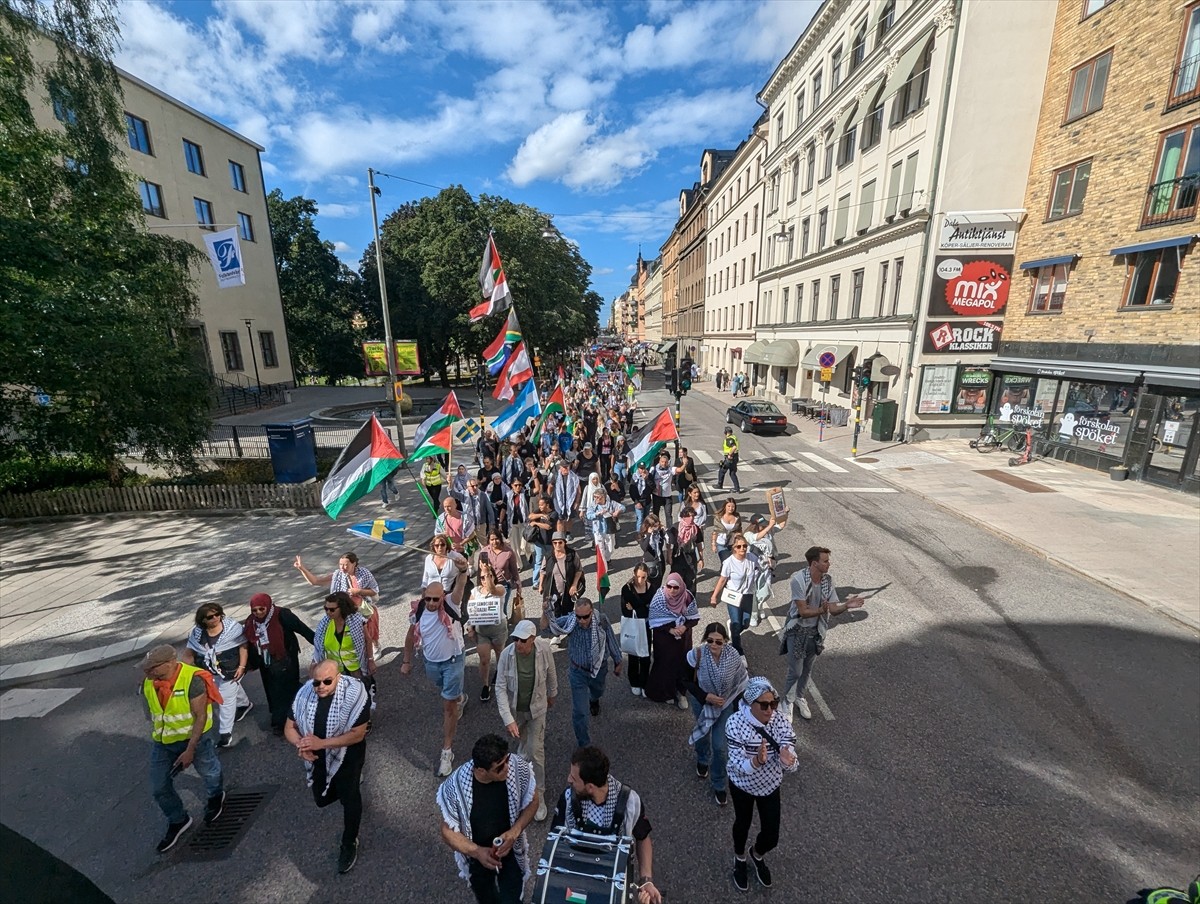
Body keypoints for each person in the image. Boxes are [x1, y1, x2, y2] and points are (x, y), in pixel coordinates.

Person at [284, 659, 371, 875]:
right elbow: (289, 726)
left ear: (338, 677)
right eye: (316, 682)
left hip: (347, 754)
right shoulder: (305, 693)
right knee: (321, 799)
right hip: (318, 755)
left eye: (327, 681)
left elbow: (358, 734)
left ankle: (349, 843)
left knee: (350, 797)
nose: (321, 686)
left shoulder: (355, 693)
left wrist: (320, 743)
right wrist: (301, 744)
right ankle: (345, 792)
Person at [551, 746, 662, 904]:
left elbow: (643, 837)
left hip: (612, 885)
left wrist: (646, 880)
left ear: (590, 787)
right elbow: (555, 840)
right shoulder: (568, 799)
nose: (569, 779)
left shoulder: (630, 802)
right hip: (576, 881)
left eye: (574, 778)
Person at [141, 644, 224, 853]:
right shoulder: (149, 684)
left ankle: (216, 796)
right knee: (158, 787)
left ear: (170, 664)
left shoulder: (193, 680)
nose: (147, 672)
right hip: (164, 742)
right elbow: (152, 715)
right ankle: (178, 820)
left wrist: (190, 750)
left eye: (152, 668)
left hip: (195, 739)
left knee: (209, 772)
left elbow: (201, 716)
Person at [437, 733, 538, 904]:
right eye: (499, 768)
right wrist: (477, 852)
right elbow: (447, 832)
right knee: (486, 898)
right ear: (481, 771)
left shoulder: (516, 766)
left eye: (506, 760)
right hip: (477, 855)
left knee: (513, 898)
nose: (507, 768)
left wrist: (515, 831)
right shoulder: (455, 788)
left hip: (510, 848)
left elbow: (534, 800)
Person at [724, 678, 798, 892]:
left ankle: (756, 854)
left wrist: (789, 760)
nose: (770, 710)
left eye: (773, 703)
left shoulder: (780, 721)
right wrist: (756, 761)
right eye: (764, 705)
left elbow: (791, 753)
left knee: (772, 836)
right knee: (742, 824)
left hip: (770, 785)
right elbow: (736, 763)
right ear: (749, 704)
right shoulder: (735, 723)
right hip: (742, 785)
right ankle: (739, 858)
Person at [782, 546, 866, 721]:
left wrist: (846, 606)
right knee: (795, 670)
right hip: (797, 631)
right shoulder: (798, 580)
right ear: (814, 563)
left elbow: (833, 609)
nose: (829, 564)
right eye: (825, 561)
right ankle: (787, 701)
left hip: (815, 632)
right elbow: (803, 611)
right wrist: (822, 610)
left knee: (807, 669)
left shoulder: (827, 581)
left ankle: (799, 697)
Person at [403, 582, 468, 776]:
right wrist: (406, 660)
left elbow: (461, 586)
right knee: (447, 693)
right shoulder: (419, 610)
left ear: (443, 597)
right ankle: (460, 698)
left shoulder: (451, 604)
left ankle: (446, 752)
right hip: (431, 662)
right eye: (428, 598)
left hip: (453, 660)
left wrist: (463, 571)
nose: (431, 603)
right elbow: (409, 635)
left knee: (448, 705)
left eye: (435, 599)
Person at [494, 620, 557, 821]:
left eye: (522, 640)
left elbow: (551, 672)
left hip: (538, 709)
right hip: (516, 712)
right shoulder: (506, 655)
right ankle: (522, 769)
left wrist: (553, 692)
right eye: (515, 639)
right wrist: (508, 719)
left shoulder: (544, 649)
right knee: (523, 744)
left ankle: (538, 794)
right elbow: (500, 687)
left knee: (535, 751)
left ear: (532, 639)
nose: (518, 644)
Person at [543, 597, 622, 747]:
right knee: (580, 712)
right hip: (577, 672)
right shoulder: (571, 622)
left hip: (599, 668)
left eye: (585, 617)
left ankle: (594, 699)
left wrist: (618, 661)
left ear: (591, 612)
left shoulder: (602, 620)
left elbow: (611, 640)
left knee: (598, 691)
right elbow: (546, 629)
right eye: (579, 616)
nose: (582, 620)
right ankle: (584, 745)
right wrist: (545, 612)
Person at [684, 622, 747, 807]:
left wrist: (739, 708)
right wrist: (706, 696)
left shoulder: (733, 656)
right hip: (702, 702)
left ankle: (719, 783)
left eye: (718, 642)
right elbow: (685, 679)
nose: (713, 645)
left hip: (725, 704)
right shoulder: (696, 655)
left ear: (725, 641)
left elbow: (741, 681)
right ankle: (702, 758)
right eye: (710, 640)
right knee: (703, 734)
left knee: (720, 747)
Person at [243, 592, 315, 734]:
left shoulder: (282, 615)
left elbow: (303, 629)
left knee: (287, 689)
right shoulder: (251, 621)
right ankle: (280, 717)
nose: (258, 613)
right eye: (254, 610)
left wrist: (320, 645)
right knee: (272, 690)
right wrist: (250, 664)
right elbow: (248, 642)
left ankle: (286, 720)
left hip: (286, 660)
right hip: (266, 662)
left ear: (268, 606)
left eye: (261, 609)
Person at [183, 603, 250, 748]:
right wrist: (186, 673)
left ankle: (225, 734)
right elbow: (189, 654)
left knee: (224, 699)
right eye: (210, 617)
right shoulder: (197, 634)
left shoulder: (233, 629)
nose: (215, 618)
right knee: (229, 691)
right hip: (211, 671)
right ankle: (245, 704)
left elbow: (243, 646)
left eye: (217, 614)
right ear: (203, 620)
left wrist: (242, 666)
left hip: (232, 670)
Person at [294, 552, 381, 653]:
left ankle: (375, 647)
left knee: (369, 634)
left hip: (364, 609)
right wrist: (302, 568)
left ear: (354, 564)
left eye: (346, 565)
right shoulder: (337, 575)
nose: (342, 567)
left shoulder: (364, 574)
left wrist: (359, 591)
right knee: (351, 637)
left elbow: (374, 591)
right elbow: (315, 581)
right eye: (340, 564)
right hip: (345, 612)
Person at [644, 574, 699, 708]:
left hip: (683, 639)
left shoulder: (687, 597)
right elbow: (654, 620)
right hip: (664, 640)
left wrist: (684, 626)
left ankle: (681, 693)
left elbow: (694, 617)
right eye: (669, 586)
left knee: (682, 664)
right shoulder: (659, 598)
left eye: (676, 587)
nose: (672, 590)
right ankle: (664, 693)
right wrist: (670, 630)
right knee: (664, 665)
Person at [468, 561, 510, 703]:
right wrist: (470, 628)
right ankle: (485, 685)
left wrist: (486, 571)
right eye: (482, 577)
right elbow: (471, 611)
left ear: (493, 577)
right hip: (482, 632)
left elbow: (492, 590)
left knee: (500, 654)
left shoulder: (500, 589)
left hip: (498, 630)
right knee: (484, 660)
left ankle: (500, 676)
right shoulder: (475, 592)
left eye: (488, 576)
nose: (485, 580)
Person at [710, 532, 758, 654]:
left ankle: (733, 626)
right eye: (739, 546)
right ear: (733, 548)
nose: (742, 549)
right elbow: (722, 580)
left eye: (744, 546)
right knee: (736, 626)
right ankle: (738, 651)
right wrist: (714, 596)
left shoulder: (752, 558)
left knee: (746, 623)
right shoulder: (729, 563)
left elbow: (759, 567)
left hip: (747, 594)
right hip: (733, 595)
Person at [312, 592, 375, 684]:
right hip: (336, 671)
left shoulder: (357, 621)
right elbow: (318, 647)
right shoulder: (324, 624)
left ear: (342, 608)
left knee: (361, 693)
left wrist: (370, 660)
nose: (328, 612)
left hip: (355, 669)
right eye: (326, 609)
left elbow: (368, 640)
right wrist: (315, 664)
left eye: (332, 609)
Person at [744, 510, 787, 627]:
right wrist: (769, 526)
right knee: (753, 591)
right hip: (753, 568)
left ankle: (760, 605)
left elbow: (781, 525)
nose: (764, 526)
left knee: (765, 591)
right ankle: (753, 614)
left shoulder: (768, 532)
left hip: (766, 567)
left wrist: (785, 514)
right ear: (755, 525)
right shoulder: (747, 535)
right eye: (761, 524)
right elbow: (756, 537)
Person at [620, 564, 654, 698]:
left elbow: (653, 608)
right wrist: (643, 608)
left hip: (646, 625)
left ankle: (644, 682)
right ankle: (634, 681)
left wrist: (635, 608)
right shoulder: (627, 589)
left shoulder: (651, 589)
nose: (640, 580)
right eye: (638, 576)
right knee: (633, 653)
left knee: (645, 654)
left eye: (643, 577)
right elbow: (625, 610)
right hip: (633, 625)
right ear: (634, 574)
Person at [538, 531, 584, 619]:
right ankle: (556, 631)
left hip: (567, 588)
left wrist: (574, 585)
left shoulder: (572, 554)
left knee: (568, 611)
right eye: (555, 543)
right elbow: (542, 571)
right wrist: (541, 585)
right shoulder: (548, 556)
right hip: (552, 589)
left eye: (560, 542)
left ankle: (567, 629)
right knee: (554, 612)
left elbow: (579, 570)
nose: (557, 545)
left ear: (564, 542)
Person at [424, 535, 470, 606]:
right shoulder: (428, 559)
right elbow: (425, 581)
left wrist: (463, 567)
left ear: (447, 545)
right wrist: (423, 598)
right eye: (437, 545)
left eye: (442, 545)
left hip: (448, 595)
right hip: (431, 597)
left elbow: (466, 574)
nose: (440, 548)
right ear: (433, 546)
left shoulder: (456, 557)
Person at [668, 506, 704, 594]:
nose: (691, 518)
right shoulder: (676, 527)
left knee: (690, 581)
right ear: (683, 516)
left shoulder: (695, 529)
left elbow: (699, 544)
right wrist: (669, 557)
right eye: (689, 516)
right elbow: (670, 544)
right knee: (676, 580)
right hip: (678, 557)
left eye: (693, 516)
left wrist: (701, 559)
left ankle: (690, 600)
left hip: (691, 557)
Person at [585, 486, 625, 559]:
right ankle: (603, 564)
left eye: (597, 497)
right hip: (598, 529)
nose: (595, 499)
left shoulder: (611, 503)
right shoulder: (593, 505)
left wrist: (618, 511)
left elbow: (623, 507)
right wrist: (597, 514)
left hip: (609, 529)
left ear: (603, 497)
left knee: (611, 548)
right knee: (600, 549)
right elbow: (588, 515)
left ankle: (607, 559)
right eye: (594, 497)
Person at [638, 514, 671, 594]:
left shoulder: (659, 533)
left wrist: (665, 531)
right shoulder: (643, 535)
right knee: (649, 586)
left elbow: (670, 540)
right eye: (654, 526)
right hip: (649, 564)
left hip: (660, 562)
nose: (656, 527)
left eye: (658, 525)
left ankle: (655, 602)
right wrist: (649, 534)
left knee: (657, 585)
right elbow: (644, 548)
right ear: (648, 526)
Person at [550, 458, 581, 536]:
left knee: (569, 517)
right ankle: (560, 535)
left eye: (567, 466)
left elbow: (578, 491)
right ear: (560, 467)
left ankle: (567, 533)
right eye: (563, 467)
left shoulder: (574, 477)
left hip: (570, 500)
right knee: (560, 518)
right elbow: (550, 487)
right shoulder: (556, 476)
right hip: (558, 500)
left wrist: (577, 502)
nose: (565, 468)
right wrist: (552, 498)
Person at [711, 497, 743, 564]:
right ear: (725, 506)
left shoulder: (737, 517)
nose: (731, 508)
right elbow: (715, 531)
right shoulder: (719, 517)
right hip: (721, 543)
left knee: (733, 562)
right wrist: (713, 544)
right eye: (728, 506)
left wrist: (740, 540)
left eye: (733, 506)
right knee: (726, 561)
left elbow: (739, 530)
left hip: (733, 543)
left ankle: (723, 571)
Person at [650, 451, 679, 525]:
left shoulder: (670, 469)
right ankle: (657, 529)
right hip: (657, 495)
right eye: (662, 462)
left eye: (665, 462)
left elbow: (679, 470)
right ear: (659, 461)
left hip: (667, 496)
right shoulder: (654, 469)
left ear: (668, 462)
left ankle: (670, 531)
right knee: (656, 514)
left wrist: (684, 464)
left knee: (668, 514)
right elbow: (649, 479)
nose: (664, 463)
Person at [629, 460, 653, 531]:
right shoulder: (634, 477)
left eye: (643, 468)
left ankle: (645, 533)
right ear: (638, 469)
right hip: (639, 501)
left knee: (646, 518)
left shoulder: (649, 475)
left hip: (647, 501)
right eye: (641, 468)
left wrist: (647, 479)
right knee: (640, 519)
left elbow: (653, 487)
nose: (642, 470)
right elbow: (631, 491)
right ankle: (640, 535)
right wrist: (636, 502)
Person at [716, 427, 741, 492]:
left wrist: (730, 454)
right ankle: (737, 488)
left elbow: (734, 447)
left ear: (726, 432)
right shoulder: (733, 437)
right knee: (732, 473)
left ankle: (719, 485)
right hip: (735, 457)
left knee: (722, 470)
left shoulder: (729, 439)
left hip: (730, 458)